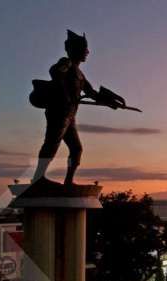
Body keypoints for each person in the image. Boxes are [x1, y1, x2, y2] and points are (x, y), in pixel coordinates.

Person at [32, 30, 99, 185]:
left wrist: (110, 101)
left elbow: (91, 92)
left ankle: (68, 180)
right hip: (59, 112)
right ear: (75, 50)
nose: (87, 52)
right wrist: (63, 90)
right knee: (51, 143)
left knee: (76, 149)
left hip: (70, 115)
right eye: (84, 49)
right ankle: (38, 178)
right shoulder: (66, 63)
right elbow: (55, 71)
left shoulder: (80, 74)